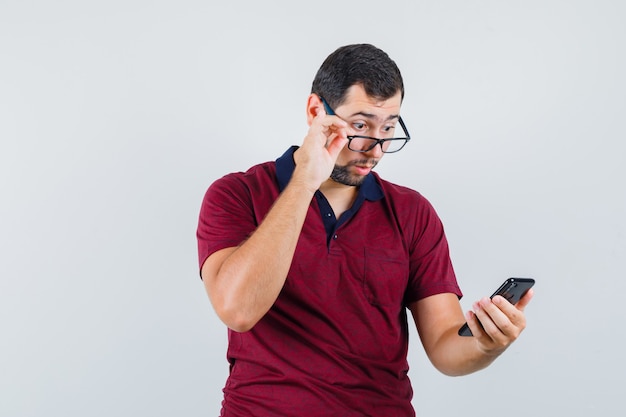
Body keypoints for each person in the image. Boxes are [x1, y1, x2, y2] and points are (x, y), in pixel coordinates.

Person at [196, 43, 534, 417]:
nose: (375, 149)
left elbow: (444, 348)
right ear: (315, 112)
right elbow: (238, 310)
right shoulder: (236, 194)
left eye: (388, 128)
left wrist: (486, 344)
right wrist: (304, 183)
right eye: (360, 126)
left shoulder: (412, 212)